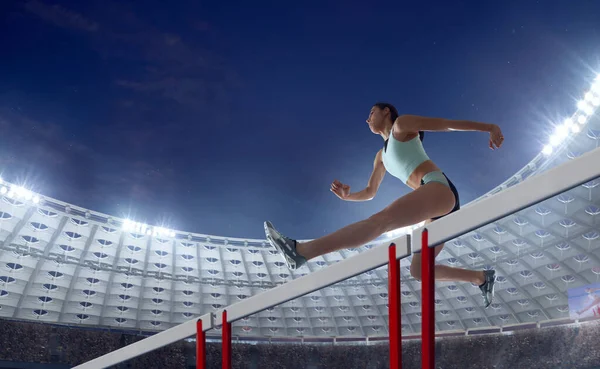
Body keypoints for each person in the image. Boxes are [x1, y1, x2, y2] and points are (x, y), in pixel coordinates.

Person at [264, 102, 504, 307]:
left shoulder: (402, 125)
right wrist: (348, 196)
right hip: (432, 203)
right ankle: (481, 277)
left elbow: (445, 123)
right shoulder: (381, 157)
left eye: (371, 112)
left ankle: (303, 251)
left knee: (381, 221)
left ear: (387, 111)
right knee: (419, 271)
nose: (367, 118)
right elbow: (370, 192)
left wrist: (490, 127)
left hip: (438, 189)